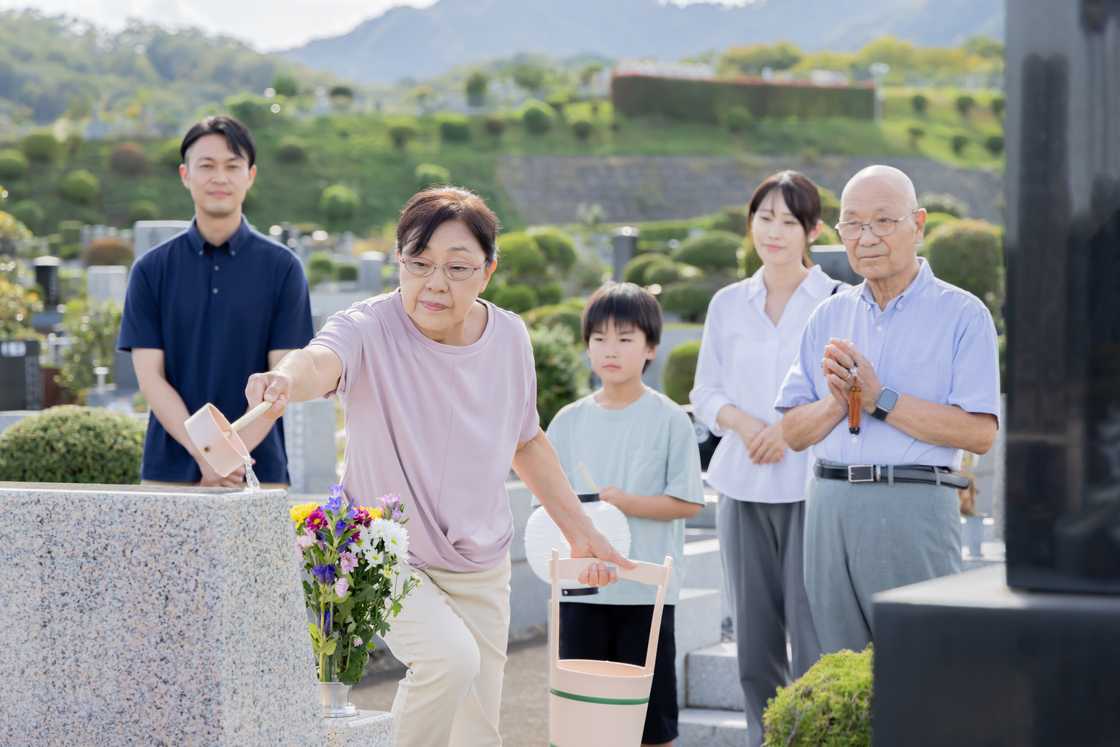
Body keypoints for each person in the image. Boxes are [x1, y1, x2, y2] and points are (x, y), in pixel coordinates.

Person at [243, 186, 630, 747]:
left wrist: (584, 534)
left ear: (488, 271)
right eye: (418, 264)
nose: (435, 284)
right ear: (399, 260)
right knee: (449, 661)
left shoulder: (510, 338)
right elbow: (320, 361)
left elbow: (528, 443)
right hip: (384, 550)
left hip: (482, 560)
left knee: (478, 733)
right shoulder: (368, 326)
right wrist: (285, 380)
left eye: (457, 267)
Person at [776, 164, 1000, 654]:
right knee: (834, 672)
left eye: (883, 221)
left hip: (913, 502)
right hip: (830, 504)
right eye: (852, 224)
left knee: (922, 668)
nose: (866, 237)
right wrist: (840, 401)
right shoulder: (829, 315)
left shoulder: (962, 315)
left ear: (918, 224)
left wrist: (880, 399)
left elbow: (980, 433)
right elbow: (792, 431)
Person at [690, 170, 833, 747]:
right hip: (742, 485)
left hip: (811, 486)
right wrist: (748, 425)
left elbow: (842, 393)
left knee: (813, 639)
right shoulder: (728, 303)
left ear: (813, 231)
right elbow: (705, 393)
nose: (773, 232)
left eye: (789, 222)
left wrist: (788, 430)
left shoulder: (835, 301)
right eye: (764, 218)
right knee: (753, 645)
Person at [547, 282, 705, 747]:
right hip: (581, 592)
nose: (609, 350)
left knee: (650, 726)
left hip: (644, 592)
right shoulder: (567, 421)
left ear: (651, 347)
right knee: (581, 723)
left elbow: (688, 501)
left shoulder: (671, 418)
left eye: (624, 338)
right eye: (599, 339)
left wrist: (625, 503)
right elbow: (547, 510)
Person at [118, 115, 313, 488]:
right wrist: (207, 455)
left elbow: (279, 382)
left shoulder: (283, 268)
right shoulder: (151, 269)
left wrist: (229, 459)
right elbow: (150, 378)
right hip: (169, 473)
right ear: (185, 174)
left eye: (232, 166)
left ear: (250, 175)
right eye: (206, 165)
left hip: (258, 470)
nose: (219, 177)